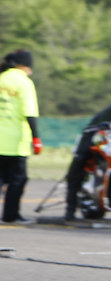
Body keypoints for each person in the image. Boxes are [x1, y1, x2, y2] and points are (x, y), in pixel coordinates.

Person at [0, 49, 42, 224]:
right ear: (25, 66)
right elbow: (29, 113)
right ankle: (11, 215)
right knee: (18, 179)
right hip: (15, 142)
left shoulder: (1, 78)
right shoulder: (24, 83)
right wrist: (36, 138)